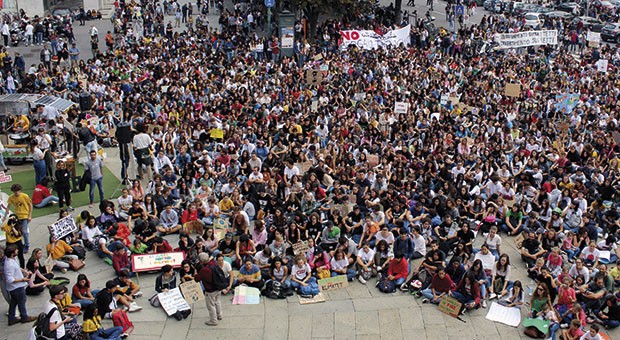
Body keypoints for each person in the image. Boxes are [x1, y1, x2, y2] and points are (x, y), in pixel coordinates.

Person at [4, 245, 38, 325]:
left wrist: (24, 271)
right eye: (16, 250)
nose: (17, 251)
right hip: (16, 287)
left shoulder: (12, 259)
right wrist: (23, 279)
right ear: (12, 253)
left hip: (15, 287)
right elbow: (10, 279)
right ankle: (24, 317)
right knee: (21, 301)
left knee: (14, 302)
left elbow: (17, 267)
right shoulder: (9, 265)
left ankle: (12, 318)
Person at [195, 252, 223, 326]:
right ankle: (219, 315)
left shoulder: (204, 269)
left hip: (210, 290)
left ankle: (213, 320)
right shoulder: (214, 263)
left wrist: (195, 273)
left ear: (201, 261)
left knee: (210, 305)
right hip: (218, 287)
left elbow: (197, 279)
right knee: (217, 302)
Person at [7, 184, 33, 253]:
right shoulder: (11, 197)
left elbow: (30, 205)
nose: (16, 193)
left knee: (24, 231)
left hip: (25, 216)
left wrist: (29, 215)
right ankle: (22, 244)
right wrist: (5, 216)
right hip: (17, 217)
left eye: (17, 191)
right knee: (18, 232)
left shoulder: (24, 196)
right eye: (15, 191)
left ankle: (27, 245)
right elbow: (8, 206)